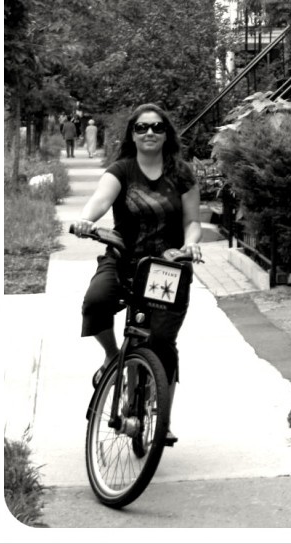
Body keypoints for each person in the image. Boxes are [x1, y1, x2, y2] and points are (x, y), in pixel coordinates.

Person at [71, 103, 202, 446]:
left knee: (160, 344)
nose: (149, 133)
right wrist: (87, 219)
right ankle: (114, 357)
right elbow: (101, 199)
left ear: (167, 133)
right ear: (132, 133)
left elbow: (192, 221)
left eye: (157, 127)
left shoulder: (182, 173)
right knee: (95, 302)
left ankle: (163, 422)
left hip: (166, 267)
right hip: (124, 258)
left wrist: (190, 245)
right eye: (142, 127)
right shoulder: (123, 170)